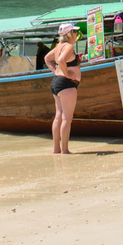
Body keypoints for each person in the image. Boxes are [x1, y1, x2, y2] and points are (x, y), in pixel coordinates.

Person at [44, 23, 82, 154]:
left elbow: (47, 59)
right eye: (75, 32)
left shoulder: (58, 46)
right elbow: (60, 60)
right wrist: (66, 74)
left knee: (58, 116)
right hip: (66, 84)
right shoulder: (69, 46)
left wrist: (56, 71)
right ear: (69, 34)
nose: (77, 34)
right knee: (66, 118)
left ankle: (56, 149)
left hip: (57, 82)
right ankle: (64, 150)